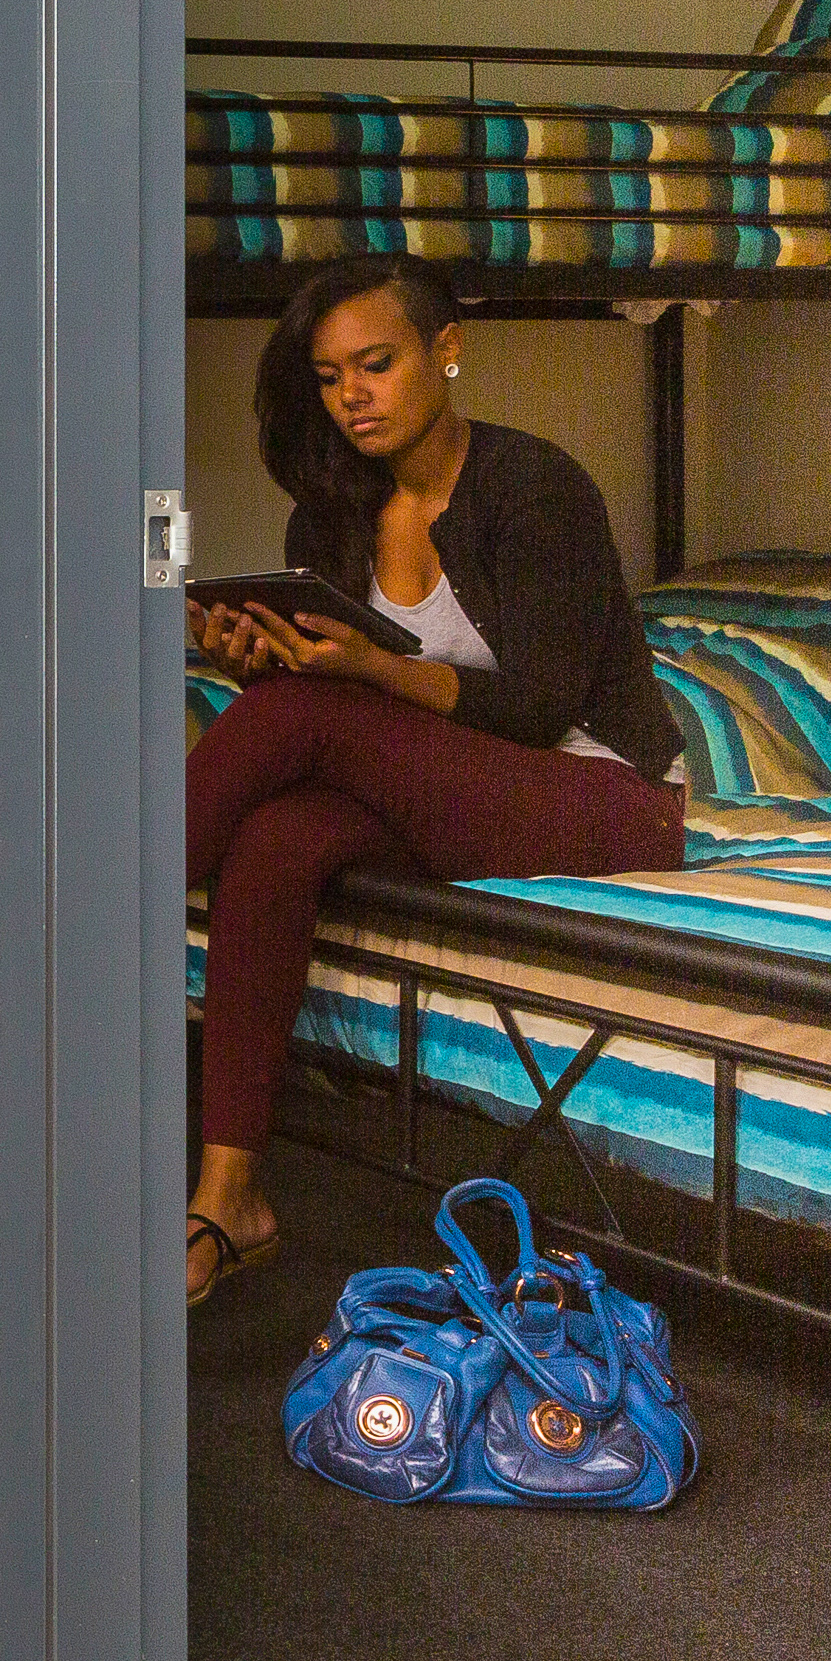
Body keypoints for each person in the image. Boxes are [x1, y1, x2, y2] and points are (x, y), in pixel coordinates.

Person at [183, 253, 688, 1305]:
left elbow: (542, 706)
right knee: (278, 837)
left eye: (375, 364)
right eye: (328, 378)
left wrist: (363, 671)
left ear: (446, 350)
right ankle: (230, 1195)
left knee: (302, 718)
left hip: (600, 797)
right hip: (454, 793)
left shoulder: (532, 485)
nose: (352, 397)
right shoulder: (330, 509)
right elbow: (348, 710)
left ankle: (84, 921)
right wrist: (255, 655)